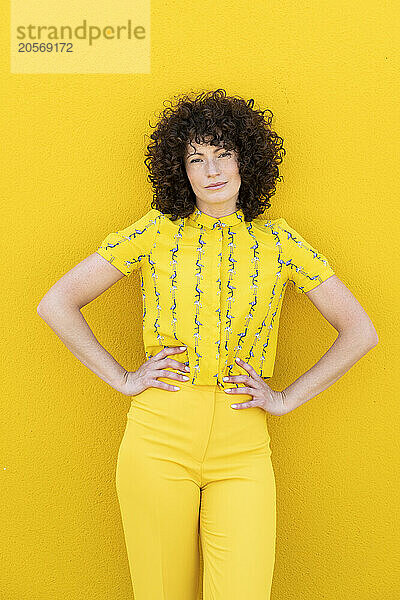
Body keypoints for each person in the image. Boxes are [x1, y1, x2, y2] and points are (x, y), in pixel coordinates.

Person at [37, 88, 379, 600]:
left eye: (223, 154)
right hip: (156, 440)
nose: (211, 170)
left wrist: (284, 399)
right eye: (196, 159)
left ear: (247, 161)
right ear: (182, 172)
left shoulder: (280, 242)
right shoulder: (157, 233)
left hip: (243, 449)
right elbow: (56, 302)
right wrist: (124, 379)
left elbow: (361, 332)